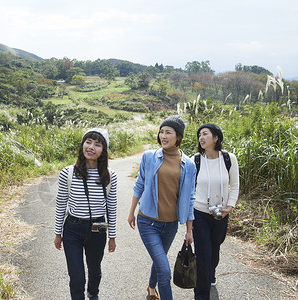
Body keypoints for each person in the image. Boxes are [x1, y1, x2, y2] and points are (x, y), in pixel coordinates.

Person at [127, 115, 196, 300]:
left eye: (168, 132)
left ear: (178, 137)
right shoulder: (149, 157)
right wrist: (131, 212)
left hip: (170, 225)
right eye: (161, 131)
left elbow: (190, 198)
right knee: (165, 271)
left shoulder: (189, 165)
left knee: (160, 261)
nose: (163, 136)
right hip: (147, 222)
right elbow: (139, 184)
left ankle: (151, 288)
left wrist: (189, 230)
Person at [54, 128, 117, 300]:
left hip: (99, 227)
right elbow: (60, 204)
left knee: (95, 270)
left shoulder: (110, 176)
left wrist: (113, 236)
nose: (91, 147)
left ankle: (93, 293)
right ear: (82, 145)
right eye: (88, 142)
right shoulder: (68, 173)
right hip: (72, 229)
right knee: (77, 277)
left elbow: (111, 207)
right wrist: (57, 233)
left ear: (103, 150)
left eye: (97, 144)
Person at [192, 123, 240, 300]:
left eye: (205, 134)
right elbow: (189, 188)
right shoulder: (195, 159)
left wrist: (230, 207)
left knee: (215, 247)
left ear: (216, 137)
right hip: (200, 213)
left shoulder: (229, 159)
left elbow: (234, 185)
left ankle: (211, 271)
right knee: (202, 253)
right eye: (199, 135)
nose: (201, 138)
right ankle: (201, 294)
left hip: (222, 213)